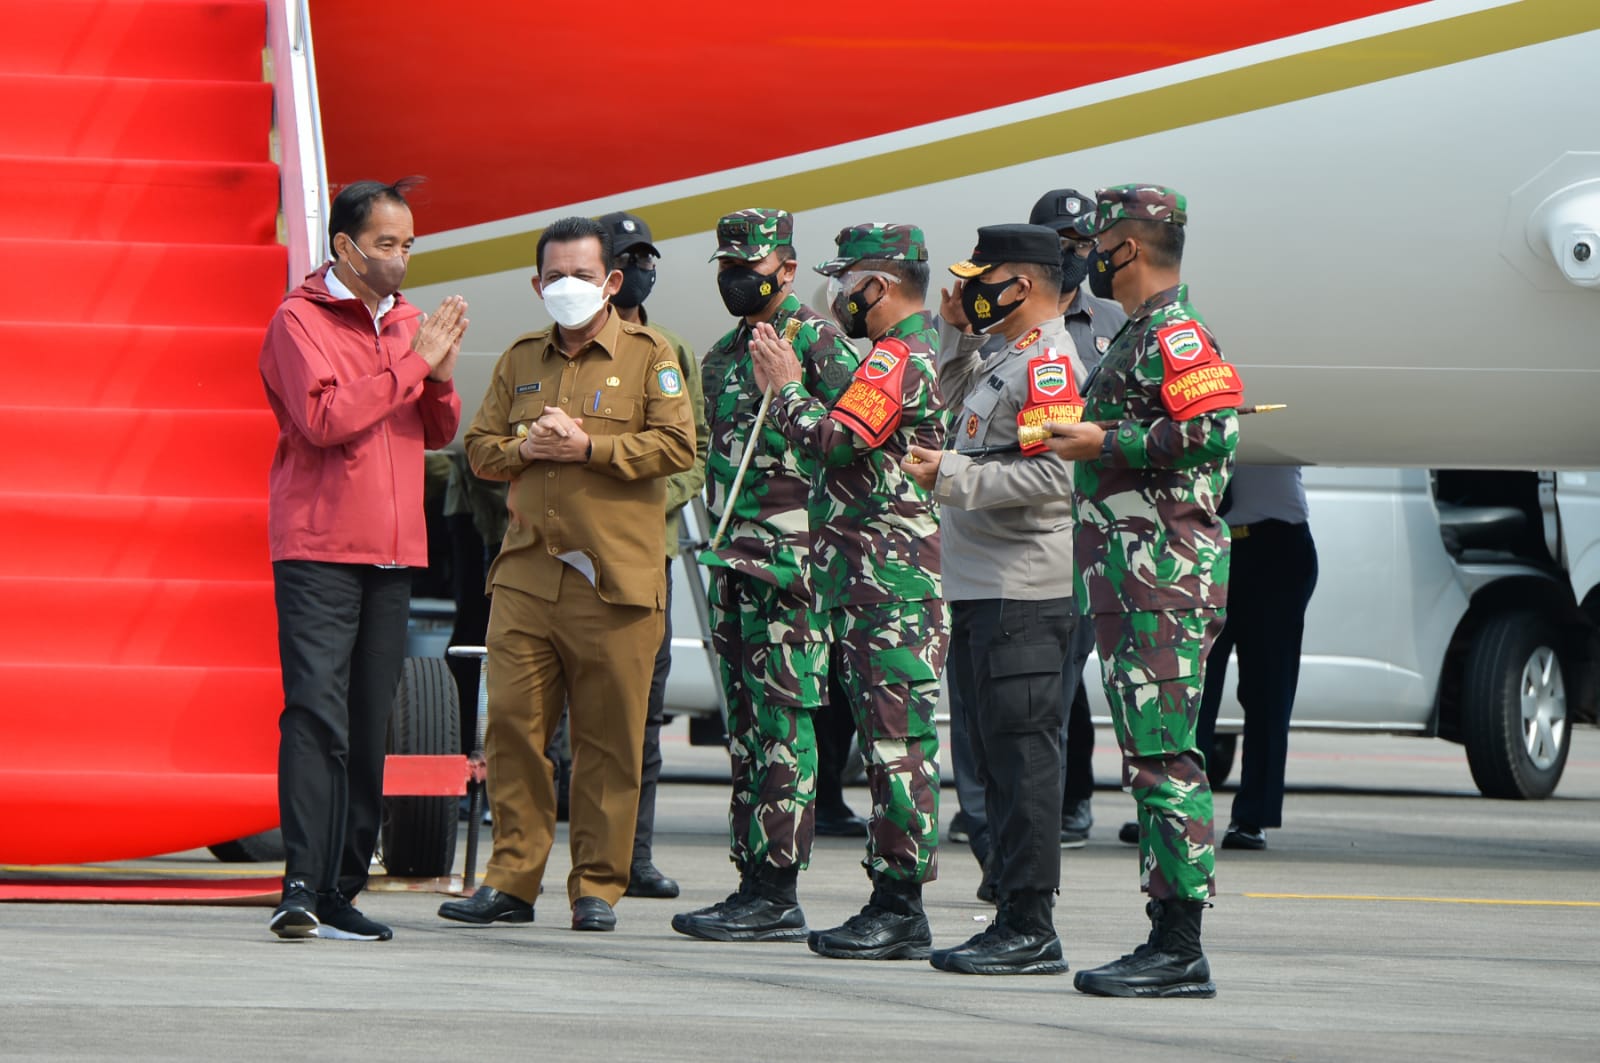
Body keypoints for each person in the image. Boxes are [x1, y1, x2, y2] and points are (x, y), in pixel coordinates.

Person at [440, 216, 695, 933]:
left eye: (582, 275)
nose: (567, 287)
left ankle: (597, 886)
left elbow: (678, 446)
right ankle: (511, 879)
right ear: (536, 284)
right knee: (513, 730)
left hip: (614, 580)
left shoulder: (652, 354)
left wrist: (589, 448)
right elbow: (480, 448)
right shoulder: (521, 357)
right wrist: (527, 447)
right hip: (527, 574)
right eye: (554, 276)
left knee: (608, 741)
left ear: (611, 281)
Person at [1043, 184, 1243, 998]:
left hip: (1164, 577)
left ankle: (1178, 944)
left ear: (1126, 247)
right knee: (1149, 755)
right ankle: (1167, 933)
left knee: (1165, 759)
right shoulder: (1137, 333)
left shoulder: (1177, 334)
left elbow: (1214, 429)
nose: (1088, 257)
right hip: (1132, 579)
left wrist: (1106, 439)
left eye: (1096, 243)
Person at [259, 179, 466, 941]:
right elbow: (323, 418)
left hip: (392, 551)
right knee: (316, 715)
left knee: (369, 720)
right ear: (345, 246)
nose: (400, 258)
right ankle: (301, 884)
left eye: (408, 244)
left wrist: (439, 374)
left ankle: (342, 887)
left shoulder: (409, 322)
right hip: (319, 547)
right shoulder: (299, 319)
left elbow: (438, 431)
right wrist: (415, 365)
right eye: (386, 244)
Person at [748, 223, 946, 960]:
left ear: (878, 286)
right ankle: (893, 897)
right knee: (887, 740)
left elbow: (835, 442)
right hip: (871, 581)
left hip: (889, 585)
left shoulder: (897, 357)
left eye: (844, 282)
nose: (835, 296)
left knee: (896, 745)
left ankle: (900, 904)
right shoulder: (894, 355)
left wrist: (786, 389)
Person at [902, 223, 1093, 976]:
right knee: (994, 756)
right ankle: (1012, 914)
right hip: (984, 587)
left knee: (1023, 760)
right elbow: (958, 409)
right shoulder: (1008, 356)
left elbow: (1053, 477)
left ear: (1023, 283)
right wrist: (956, 333)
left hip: (1022, 592)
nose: (971, 289)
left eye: (983, 279)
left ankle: (1030, 924)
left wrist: (949, 476)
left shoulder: (1047, 364)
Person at [671, 209, 859, 942]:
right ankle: (751, 879)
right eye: (725, 266)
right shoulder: (723, 354)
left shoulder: (819, 345)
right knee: (746, 730)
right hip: (734, 559)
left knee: (783, 723)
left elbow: (852, 447)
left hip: (791, 567)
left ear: (786, 268)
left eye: (746, 266)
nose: (734, 278)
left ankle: (779, 887)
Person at [593, 210, 710, 900]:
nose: (641, 269)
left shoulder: (669, 350)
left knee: (641, 716)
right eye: (627, 258)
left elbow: (694, 450)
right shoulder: (562, 346)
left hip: (643, 557)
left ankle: (632, 857)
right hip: (571, 556)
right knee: (557, 719)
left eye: (646, 258)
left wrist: (649, 497)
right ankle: (551, 859)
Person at [1028, 187, 1129, 848]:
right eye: (1062, 244)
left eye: (1085, 244)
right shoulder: (1007, 315)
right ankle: (1011, 805)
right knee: (1027, 677)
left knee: (1064, 674)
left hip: (1084, 525)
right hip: (1020, 519)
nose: (1075, 254)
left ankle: (1062, 802)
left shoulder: (1117, 322)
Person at [1195, 466, 1318, 850]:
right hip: (1203, 543)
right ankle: (1176, 809)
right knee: (1190, 689)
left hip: (1273, 543)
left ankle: (1253, 816)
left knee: (1268, 688)